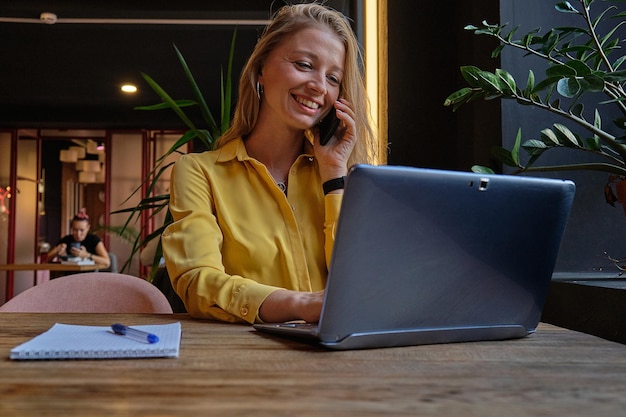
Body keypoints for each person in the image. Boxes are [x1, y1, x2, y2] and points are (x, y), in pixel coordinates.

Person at [161, 2, 377, 324]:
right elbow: (197, 282)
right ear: (261, 68)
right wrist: (301, 304)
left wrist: (334, 174)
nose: (319, 86)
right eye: (304, 64)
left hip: (336, 358)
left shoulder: (344, 177)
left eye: (333, 78)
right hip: (245, 359)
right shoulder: (199, 172)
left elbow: (362, 284)